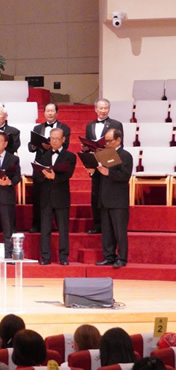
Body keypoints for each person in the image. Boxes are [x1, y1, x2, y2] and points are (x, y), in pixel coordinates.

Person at [90, 128, 132, 268]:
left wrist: (108, 172)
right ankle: (108, 256)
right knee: (107, 232)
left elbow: (125, 175)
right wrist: (93, 172)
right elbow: (100, 176)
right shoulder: (104, 154)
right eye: (105, 141)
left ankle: (122, 258)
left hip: (118, 200)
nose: (106, 143)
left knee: (120, 231)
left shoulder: (125, 155)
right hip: (105, 198)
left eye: (109, 141)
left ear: (118, 140)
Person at [28, 103, 71, 233]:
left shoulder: (64, 128)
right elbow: (30, 146)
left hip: (57, 163)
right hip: (41, 163)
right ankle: (37, 224)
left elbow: (66, 146)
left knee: (56, 195)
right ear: (44, 113)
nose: (50, 113)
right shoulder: (37, 127)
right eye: (47, 111)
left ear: (57, 112)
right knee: (38, 196)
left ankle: (57, 224)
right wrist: (36, 145)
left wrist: (51, 146)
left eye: (52, 111)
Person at [36, 128, 76, 265]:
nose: (54, 141)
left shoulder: (70, 156)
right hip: (46, 196)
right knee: (45, 229)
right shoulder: (43, 156)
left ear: (63, 140)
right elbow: (36, 175)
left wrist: (54, 177)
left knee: (63, 229)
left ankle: (63, 257)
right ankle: (45, 257)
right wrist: (43, 175)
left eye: (57, 139)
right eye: (52, 138)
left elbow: (68, 175)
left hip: (61, 197)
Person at [84, 98, 124, 235]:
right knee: (96, 194)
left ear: (109, 109)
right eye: (100, 108)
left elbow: (120, 145)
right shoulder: (89, 126)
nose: (103, 111)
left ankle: (110, 225)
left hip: (109, 162)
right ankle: (97, 225)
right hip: (95, 163)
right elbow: (88, 144)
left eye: (105, 108)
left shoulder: (116, 124)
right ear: (95, 109)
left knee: (108, 193)